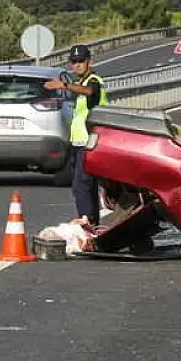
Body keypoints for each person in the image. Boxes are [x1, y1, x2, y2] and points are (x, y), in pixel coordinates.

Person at [44, 44, 109, 226]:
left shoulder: (93, 81)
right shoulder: (80, 83)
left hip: (90, 141)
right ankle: (92, 221)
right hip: (80, 141)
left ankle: (86, 220)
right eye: (74, 62)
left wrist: (64, 85)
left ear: (89, 62)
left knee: (81, 184)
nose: (77, 65)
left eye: (81, 61)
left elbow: (90, 92)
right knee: (86, 184)